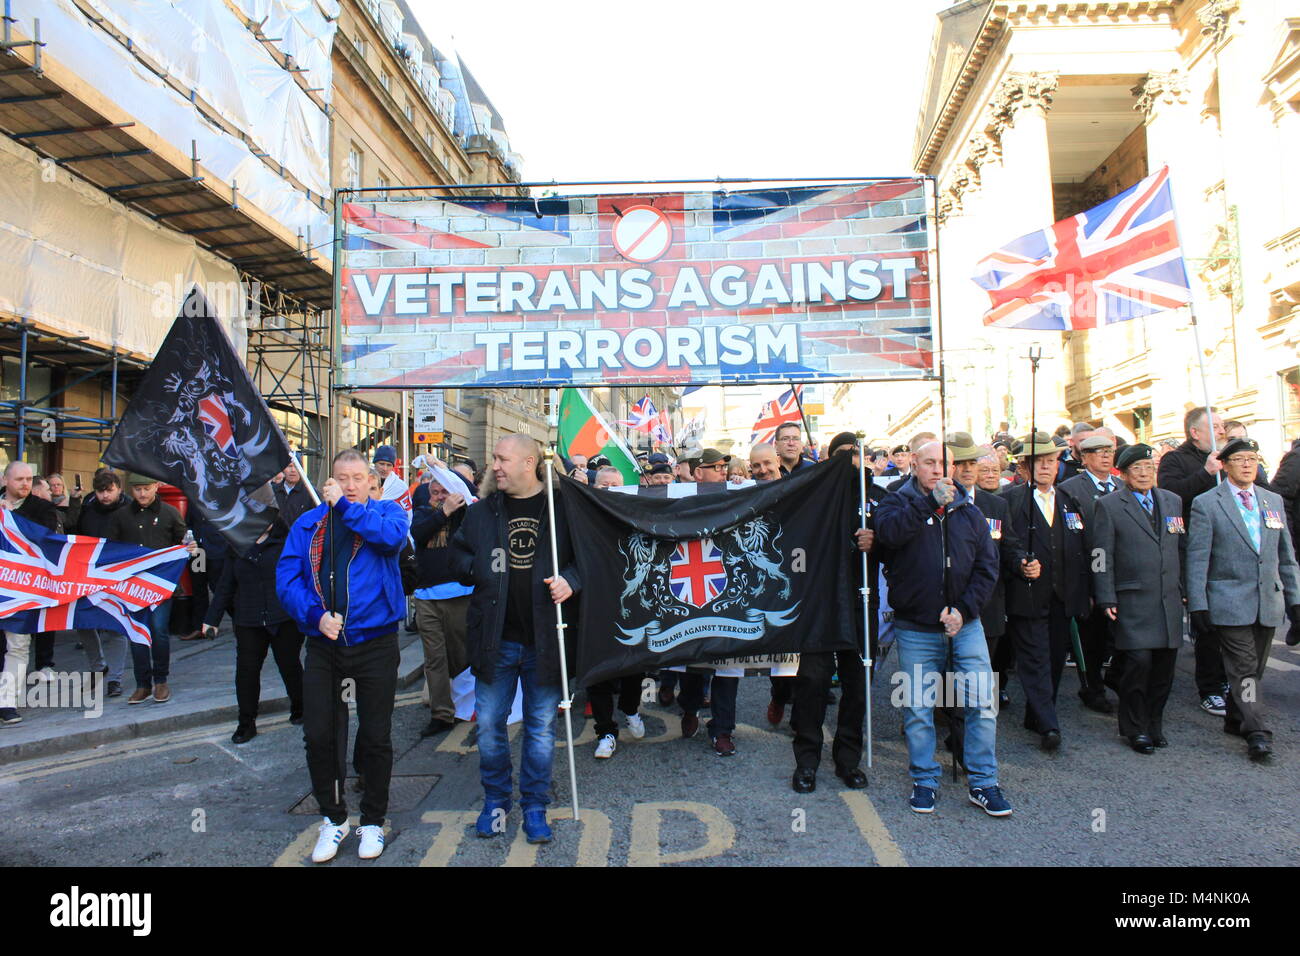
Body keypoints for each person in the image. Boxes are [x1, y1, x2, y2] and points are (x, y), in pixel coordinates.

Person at [277, 448, 407, 863]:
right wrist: (315, 616)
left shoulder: (388, 514)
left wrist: (346, 511)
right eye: (341, 478)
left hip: (376, 644)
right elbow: (287, 577)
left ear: (372, 481)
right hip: (325, 646)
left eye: (357, 478)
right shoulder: (309, 523)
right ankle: (334, 819)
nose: (349, 485)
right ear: (329, 480)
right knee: (320, 735)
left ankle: (373, 820)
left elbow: (389, 542)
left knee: (374, 736)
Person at [449, 435, 580, 844]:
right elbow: (458, 556)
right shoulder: (483, 511)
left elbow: (589, 559)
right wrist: (480, 571)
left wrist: (571, 582)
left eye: (503, 459)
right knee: (489, 726)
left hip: (545, 638)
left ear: (529, 463)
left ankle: (536, 805)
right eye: (494, 459)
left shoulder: (563, 509)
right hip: (495, 637)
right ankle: (496, 802)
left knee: (541, 729)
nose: (495, 466)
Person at [873, 440, 1008, 816]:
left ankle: (983, 781)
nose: (936, 469)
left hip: (966, 625)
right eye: (929, 462)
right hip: (916, 626)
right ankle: (924, 779)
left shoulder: (969, 510)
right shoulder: (896, 501)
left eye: (943, 463)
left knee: (981, 701)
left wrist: (963, 610)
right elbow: (890, 535)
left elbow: (987, 568)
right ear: (914, 464)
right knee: (918, 706)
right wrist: (929, 503)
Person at [1187, 438, 1300, 761]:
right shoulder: (1208, 503)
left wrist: (1296, 602)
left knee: (1255, 669)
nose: (1248, 464)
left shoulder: (1272, 500)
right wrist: (1198, 604)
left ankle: (1237, 717)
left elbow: (1286, 557)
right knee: (1245, 669)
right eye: (1240, 459)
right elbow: (1198, 558)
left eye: (1253, 458)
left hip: (1268, 602)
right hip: (1229, 601)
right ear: (1224, 465)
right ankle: (1256, 730)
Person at [1157, 406, 1259, 717]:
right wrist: (1206, 472)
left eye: (1223, 424)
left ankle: (1238, 690)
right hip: (1196, 548)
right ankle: (1211, 686)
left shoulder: (1234, 455)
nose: (1222, 430)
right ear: (1196, 432)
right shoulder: (1176, 459)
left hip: (1236, 549)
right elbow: (1171, 496)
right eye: (1214, 425)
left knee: (1239, 625)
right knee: (1208, 621)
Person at [790, 432, 874, 793]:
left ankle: (848, 760)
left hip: (860, 603)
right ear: (828, 458)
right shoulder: (811, 495)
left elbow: (901, 539)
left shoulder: (875, 498)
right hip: (820, 605)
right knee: (812, 682)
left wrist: (877, 538)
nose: (848, 461)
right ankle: (807, 761)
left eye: (854, 455)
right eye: (841, 455)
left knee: (857, 685)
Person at [1091, 444, 1183, 754]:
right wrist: (1105, 596)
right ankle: (1134, 727)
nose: (1144, 473)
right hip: (1132, 599)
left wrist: (1185, 590)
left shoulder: (1173, 501)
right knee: (1138, 665)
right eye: (1137, 469)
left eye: (1149, 467)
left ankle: (1154, 724)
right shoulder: (1110, 505)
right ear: (1125, 474)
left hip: (1167, 598)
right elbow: (1101, 554)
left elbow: (1180, 547)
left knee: (1163, 668)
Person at [1001, 432, 1090, 751]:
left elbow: (1080, 545)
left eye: (1050, 461)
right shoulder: (1010, 500)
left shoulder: (1069, 500)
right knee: (1035, 658)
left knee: (1053, 660)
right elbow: (1005, 544)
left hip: (1063, 596)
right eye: (1038, 462)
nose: (1045, 467)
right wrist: (1019, 563)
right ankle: (1049, 725)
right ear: (1025, 466)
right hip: (1026, 594)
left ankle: (1035, 713)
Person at [202, 518, 303, 744]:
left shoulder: (287, 542)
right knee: (246, 673)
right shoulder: (237, 545)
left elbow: (300, 579)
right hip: (248, 618)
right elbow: (226, 584)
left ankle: (301, 708)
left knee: (290, 666)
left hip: (283, 617)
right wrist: (212, 619)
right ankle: (246, 723)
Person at [946, 433, 1014, 753]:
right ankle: (957, 736)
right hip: (950, 604)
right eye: (961, 463)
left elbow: (1008, 548)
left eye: (973, 462)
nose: (969, 470)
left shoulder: (997, 504)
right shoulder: (939, 501)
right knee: (953, 677)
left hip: (987, 603)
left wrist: (1024, 561)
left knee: (981, 682)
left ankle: (976, 740)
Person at [107, 474, 194, 705]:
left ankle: (161, 680)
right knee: (138, 633)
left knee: (158, 630)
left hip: (161, 585)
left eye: (146, 488)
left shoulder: (170, 513)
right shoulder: (121, 516)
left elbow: (184, 542)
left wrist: (190, 546)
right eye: (137, 490)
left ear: (156, 487)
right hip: (133, 587)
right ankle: (142, 684)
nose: (142, 494)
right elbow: (112, 550)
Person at [1056, 432, 1119, 713]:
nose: (1105, 456)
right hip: (1090, 571)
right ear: (1084, 457)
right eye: (1097, 452)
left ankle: (1116, 679)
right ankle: (1092, 687)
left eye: (1109, 451)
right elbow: (1075, 539)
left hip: (1121, 574)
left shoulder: (1121, 484)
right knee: (1092, 639)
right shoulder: (1070, 489)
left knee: (1120, 637)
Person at [0, 461, 61, 724]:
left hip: (22, 589)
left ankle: (7, 703)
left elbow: (43, 540)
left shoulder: (42, 508)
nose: (25, 484)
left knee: (18, 645)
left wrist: (9, 518)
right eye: (19, 479)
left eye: (28, 479)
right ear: (5, 481)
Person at [410, 477, 470, 738]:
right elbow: (419, 534)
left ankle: (465, 702)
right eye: (434, 492)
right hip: (427, 598)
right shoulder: (422, 514)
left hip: (460, 595)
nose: (438, 496)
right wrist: (443, 510)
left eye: (444, 491)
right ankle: (441, 714)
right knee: (434, 659)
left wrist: (453, 481)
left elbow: (475, 493)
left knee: (460, 656)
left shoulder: (465, 515)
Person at [73, 468, 130, 698]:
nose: (105, 496)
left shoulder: (129, 511)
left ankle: (115, 678)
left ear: (119, 489)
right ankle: (98, 666)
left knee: (115, 627)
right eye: (100, 491)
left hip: (118, 574)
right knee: (84, 622)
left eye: (109, 491)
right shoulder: (87, 511)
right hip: (88, 573)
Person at [274, 458, 314, 528]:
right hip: (276, 537)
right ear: (283, 469)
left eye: (296, 466)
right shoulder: (273, 491)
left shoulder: (311, 493)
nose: (293, 470)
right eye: (289, 466)